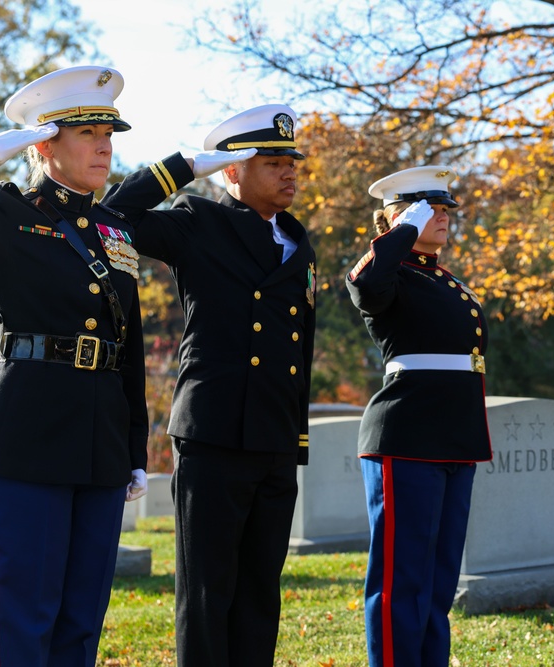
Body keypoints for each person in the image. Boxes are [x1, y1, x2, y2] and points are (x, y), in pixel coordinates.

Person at [0, 65, 246, 667]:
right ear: (44, 145)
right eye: (87, 133)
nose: (105, 145)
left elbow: (125, 343)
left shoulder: (110, 230)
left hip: (98, 443)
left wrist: (132, 450)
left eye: (109, 133)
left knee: (80, 622)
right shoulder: (5, 216)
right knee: (25, 618)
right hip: (27, 435)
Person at [102, 103, 316, 667]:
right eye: (271, 161)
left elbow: (302, 348)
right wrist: (182, 166)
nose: (289, 171)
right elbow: (112, 214)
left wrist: (297, 436)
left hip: (273, 434)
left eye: (291, 161)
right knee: (206, 592)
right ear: (233, 171)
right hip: (214, 431)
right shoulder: (197, 220)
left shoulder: (297, 240)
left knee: (259, 592)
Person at [346, 166, 493, 667]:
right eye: (429, 209)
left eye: (446, 208)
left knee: (437, 581)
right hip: (406, 436)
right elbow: (364, 282)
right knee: (400, 580)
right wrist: (401, 230)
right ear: (397, 217)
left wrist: (411, 227)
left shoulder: (441, 278)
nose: (444, 217)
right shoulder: (389, 272)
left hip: (454, 436)